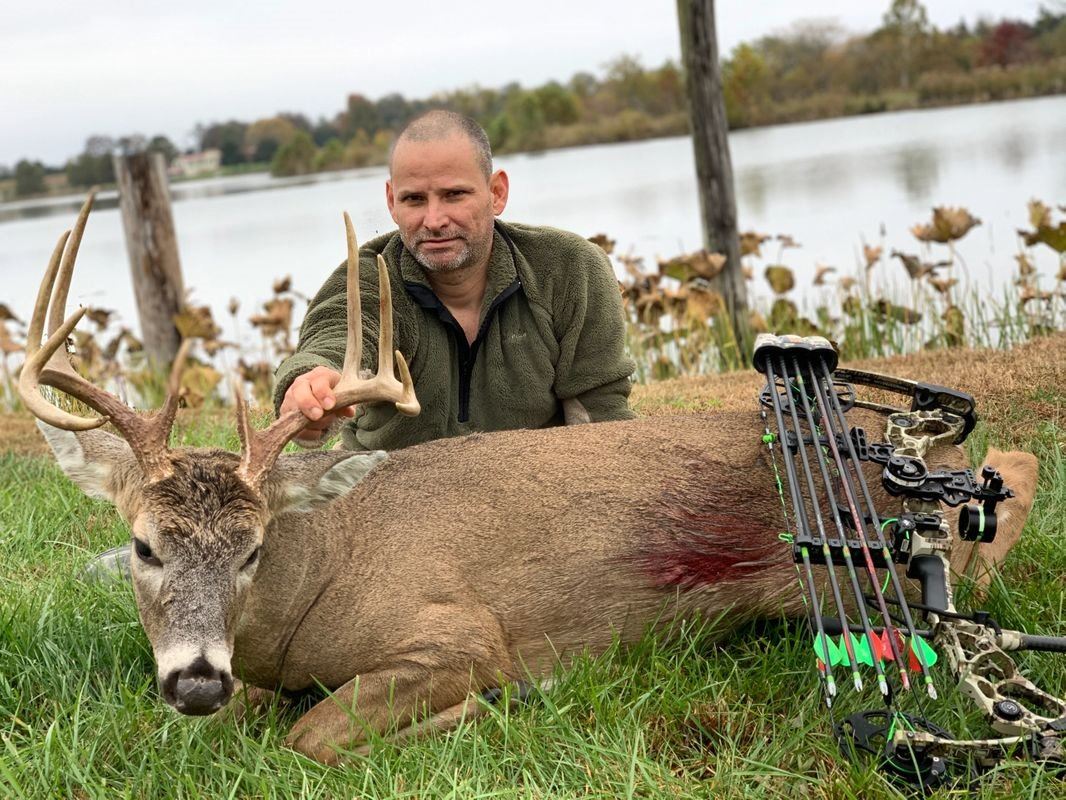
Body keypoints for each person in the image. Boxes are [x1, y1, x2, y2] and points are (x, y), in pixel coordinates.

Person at [273, 110, 635, 451]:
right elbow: (333, 335)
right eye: (414, 199)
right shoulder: (367, 278)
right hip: (391, 485)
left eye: (454, 195)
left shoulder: (569, 268)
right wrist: (310, 386)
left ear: (497, 193)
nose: (434, 220)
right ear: (391, 202)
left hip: (536, 482)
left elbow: (600, 415)